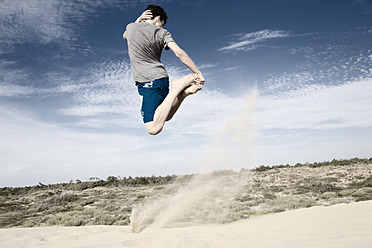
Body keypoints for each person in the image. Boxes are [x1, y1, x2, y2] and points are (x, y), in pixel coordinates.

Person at [123, 4, 205, 135]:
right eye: (162, 23)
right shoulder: (162, 33)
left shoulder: (131, 27)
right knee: (164, 115)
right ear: (158, 19)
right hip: (161, 78)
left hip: (147, 81)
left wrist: (139, 19)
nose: (161, 26)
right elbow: (179, 53)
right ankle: (184, 93)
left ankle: (177, 88)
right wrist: (197, 72)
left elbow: (125, 36)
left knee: (153, 128)